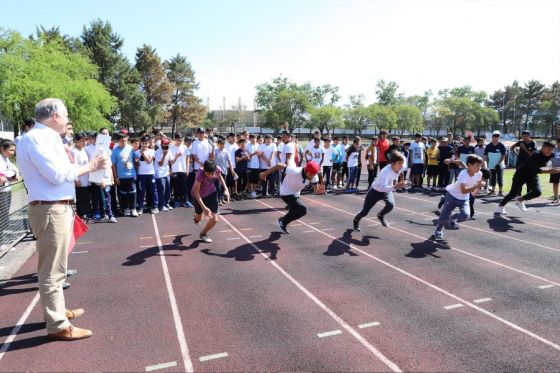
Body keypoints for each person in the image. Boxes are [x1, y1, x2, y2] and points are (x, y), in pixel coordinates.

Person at [17, 98, 106, 340]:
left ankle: (57, 312)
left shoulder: (44, 138)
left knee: (58, 269)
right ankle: (58, 325)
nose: (68, 120)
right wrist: (89, 166)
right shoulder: (36, 139)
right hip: (50, 210)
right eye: (66, 115)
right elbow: (58, 175)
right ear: (55, 115)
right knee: (52, 272)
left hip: (56, 208)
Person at [496, 141, 560, 214]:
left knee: (537, 192)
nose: (550, 151)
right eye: (548, 149)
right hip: (521, 174)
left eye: (552, 150)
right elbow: (535, 169)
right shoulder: (535, 155)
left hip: (532, 175)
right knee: (513, 193)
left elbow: (557, 158)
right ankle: (500, 206)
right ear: (542, 148)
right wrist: (549, 171)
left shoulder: (551, 154)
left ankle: (520, 199)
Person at [259, 161, 321, 234]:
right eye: (311, 174)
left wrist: (318, 191)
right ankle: (283, 221)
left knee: (298, 211)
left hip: (296, 194)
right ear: (305, 170)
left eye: (314, 175)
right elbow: (279, 165)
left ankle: (283, 221)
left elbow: (315, 190)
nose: (312, 177)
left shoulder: (313, 176)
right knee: (303, 209)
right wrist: (264, 174)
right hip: (286, 193)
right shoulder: (294, 171)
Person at [432, 155, 484, 240]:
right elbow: (463, 190)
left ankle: (452, 219)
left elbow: (475, 189)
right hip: (452, 195)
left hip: (464, 198)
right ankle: (437, 230)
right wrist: (477, 186)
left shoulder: (479, 173)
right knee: (444, 216)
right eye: (477, 165)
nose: (479, 167)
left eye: (480, 165)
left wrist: (477, 189)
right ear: (470, 165)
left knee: (466, 215)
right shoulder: (463, 174)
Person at [352, 151, 406, 231]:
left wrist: (402, 180)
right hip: (376, 190)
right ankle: (356, 220)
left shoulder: (400, 167)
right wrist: (395, 186)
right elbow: (382, 188)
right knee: (365, 212)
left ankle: (380, 215)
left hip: (387, 190)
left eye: (402, 163)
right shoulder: (385, 171)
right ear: (392, 163)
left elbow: (401, 173)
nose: (401, 165)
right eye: (399, 163)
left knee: (390, 205)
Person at [191, 160, 229, 243]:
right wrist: (204, 208)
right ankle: (197, 216)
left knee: (215, 219)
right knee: (198, 218)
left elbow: (220, 177)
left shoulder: (217, 169)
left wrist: (226, 189)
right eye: (207, 173)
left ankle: (203, 234)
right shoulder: (200, 174)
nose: (209, 175)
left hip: (211, 193)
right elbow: (196, 192)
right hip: (198, 196)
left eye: (210, 174)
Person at [111, 132, 139, 217]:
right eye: (122, 141)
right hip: (121, 176)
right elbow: (113, 165)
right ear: (118, 141)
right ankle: (125, 208)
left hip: (131, 175)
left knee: (133, 192)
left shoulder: (131, 148)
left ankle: (133, 209)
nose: (124, 142)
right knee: (123, 193)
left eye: (125, 141)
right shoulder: (115, 151)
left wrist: (136, 163)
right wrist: (116, 177)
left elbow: (135, 159)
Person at [136, 135, 158, 214]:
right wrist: (137, 162)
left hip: (150, 174)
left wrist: (143, 154)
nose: (144, 145)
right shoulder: (136, 152)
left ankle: (155, 207)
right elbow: (136, 164)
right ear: (140, 143)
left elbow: (149, 161)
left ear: (148, 144)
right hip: (141, 175)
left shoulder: (152, 151)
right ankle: (141, 207)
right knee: (141, 191)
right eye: (143, 143)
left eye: (146, 143)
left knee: (153, 191)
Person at [70, 133, 91, 219]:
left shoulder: (83, 150)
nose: (84, 142)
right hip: (80, 179)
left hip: (86, 178)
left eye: (85, 140)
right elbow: (73, 166)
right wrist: (76, 179)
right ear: (76, 141)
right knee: (81, 197)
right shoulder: (73, 151)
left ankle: (86, 214)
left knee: (86, 197)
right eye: (82, 141)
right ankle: (82, 215)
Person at [0, 139, 19, 232]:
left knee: (5, 215)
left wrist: (12, 174)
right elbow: (3, 174)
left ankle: (3, 241)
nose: (13, 153)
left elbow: (15, 170)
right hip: (2, 191)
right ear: (2, 148)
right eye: (11, 150)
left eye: (14, 150)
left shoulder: (6, 159)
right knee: (2, 216)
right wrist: (10, 175)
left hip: (7, 189)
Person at [169, 133, 192, 208]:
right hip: (175, 170)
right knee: (176, 187)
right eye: (177, 140)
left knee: (184, 186)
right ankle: (176, 201)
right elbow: (170, 161)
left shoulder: (185, 147)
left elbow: (188, 158)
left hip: (183, 169)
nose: (179, 141)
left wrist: (187, 168)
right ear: (175, 139)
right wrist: (171, 170)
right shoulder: (171, 148)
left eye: (180, 140)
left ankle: (185, 201)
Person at [214, 137, 236, 205]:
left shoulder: (226, 152)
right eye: (221, 144)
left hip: (224, 171)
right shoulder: (215, 151)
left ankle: (222, 198)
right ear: (218, 144)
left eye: (223, 144)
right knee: (218, 185)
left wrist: (232, 170)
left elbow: (229, 161)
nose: (222, 145)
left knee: (223, 185)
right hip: (217, 172)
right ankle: (219, 199)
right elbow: (212, 159)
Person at [484, 132, 507, 196]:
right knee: (492, 178)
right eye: (494, 138)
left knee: (500, 179)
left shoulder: (501, 145)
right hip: (491, 165)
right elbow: (486, 156)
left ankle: (500, 191)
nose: (495, 139)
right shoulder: (488, 146)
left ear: (498, 138)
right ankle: (493, 191)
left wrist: (498, 163)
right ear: (492, 138)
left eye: (497, 138)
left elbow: (503, 155)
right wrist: (487, 164)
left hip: (500, 165)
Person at [155, 138, 173, 211]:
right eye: (165, 144)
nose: (166, 145)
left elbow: (171, 162)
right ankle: (161, 205)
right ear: (161, 144)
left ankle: (167, 203)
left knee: (168, 189)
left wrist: (177, 157)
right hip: (159, 173)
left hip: (166, 173)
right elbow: (160, 164)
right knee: (162, 190)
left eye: (167, 144)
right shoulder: (158, 152)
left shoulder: (169, 150)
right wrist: (164, 155)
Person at [551, 138, 560, 204]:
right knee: (555, 183)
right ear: (556, 142)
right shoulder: (553, 149)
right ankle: (555, 197)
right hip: (554, 169)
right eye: (558, 142)